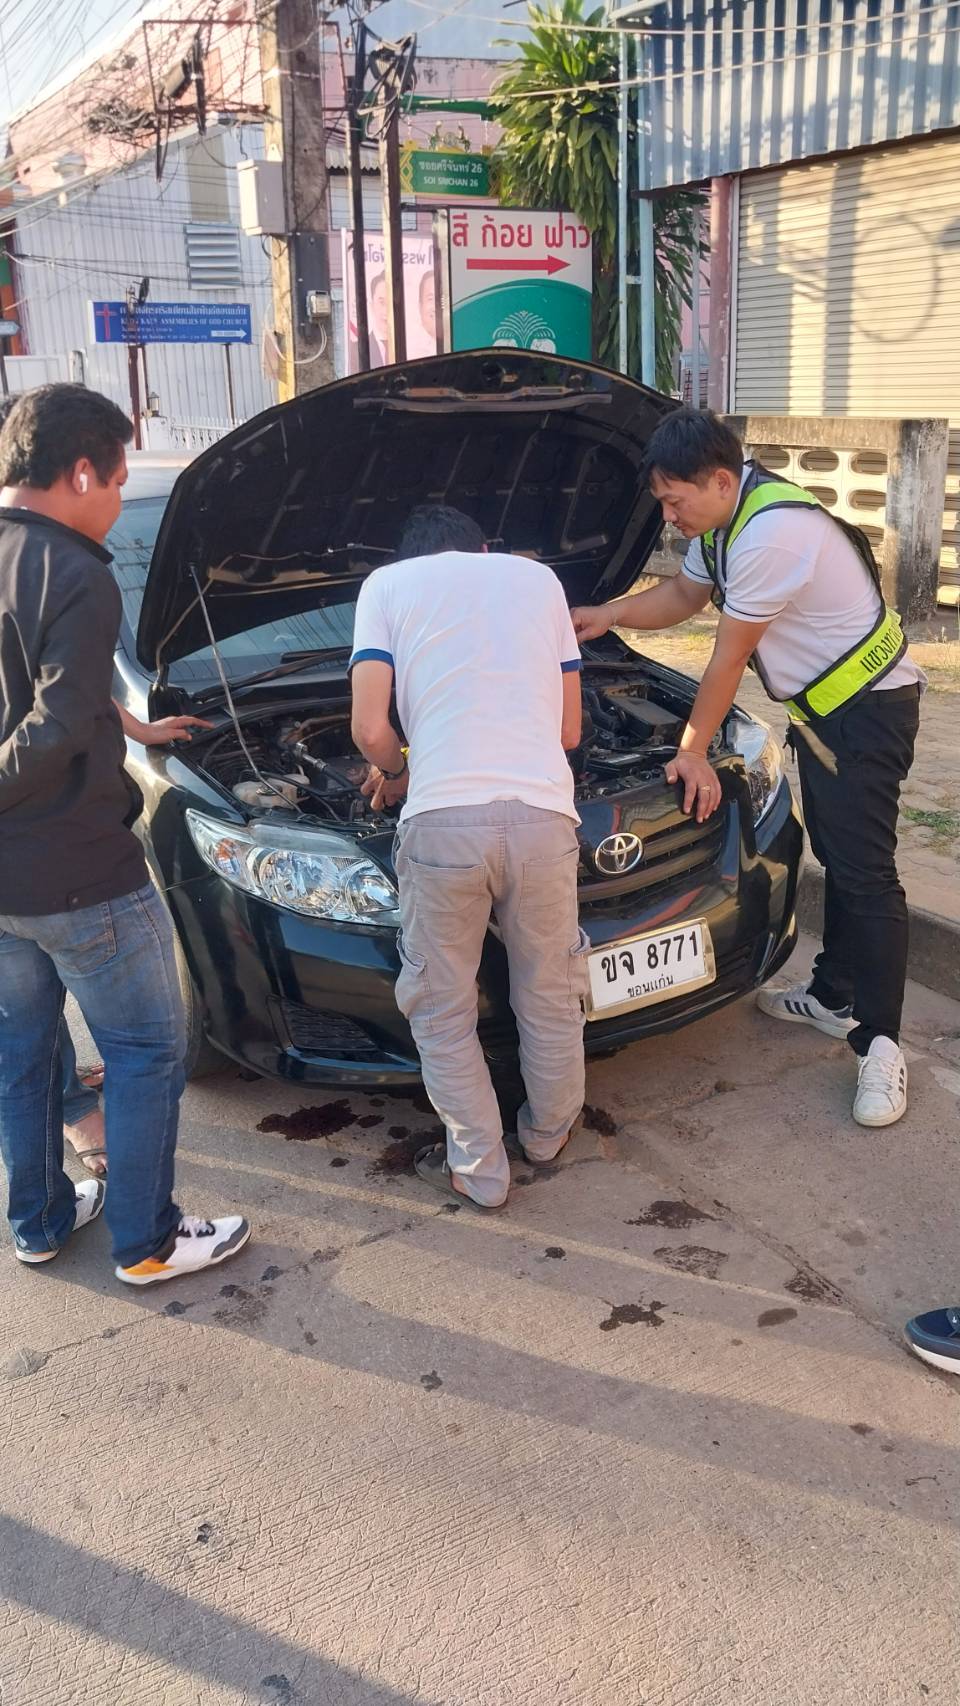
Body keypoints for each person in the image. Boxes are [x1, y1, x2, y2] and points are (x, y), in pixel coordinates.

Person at [572, 408, 923, 1130]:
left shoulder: (770, 534)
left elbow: (727, 659)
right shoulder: (724, 525)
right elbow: (682, 596)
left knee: (866, 873)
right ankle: (833, 995)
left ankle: (882, 1044)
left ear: (721, 480)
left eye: (675, 501)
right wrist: (608, 613)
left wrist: (690, 749)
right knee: (839, 856)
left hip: (867, 711)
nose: (668, 516)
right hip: (825, 714)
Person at [0, 383, 251, 1282]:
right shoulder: (79, 571)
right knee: (147, 1051)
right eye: (114, 480)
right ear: (80, 473)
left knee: (25, 1056)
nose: (114, 500)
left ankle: (37, 1221)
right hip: (82, 875)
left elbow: (45, 687)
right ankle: (148, 1242)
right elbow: (56, 721)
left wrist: (133, 725)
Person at [350, 503, 586, 1210]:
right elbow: (569, 730)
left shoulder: (386, 586)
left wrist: (399, 770)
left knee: (441, 1005)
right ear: (484, 548)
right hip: (544, 820)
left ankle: (481, 1171)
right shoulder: (538, 580)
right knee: (549, 990)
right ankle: (547, 1135)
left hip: (443, 825)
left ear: (410, 558)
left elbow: (369, 730)